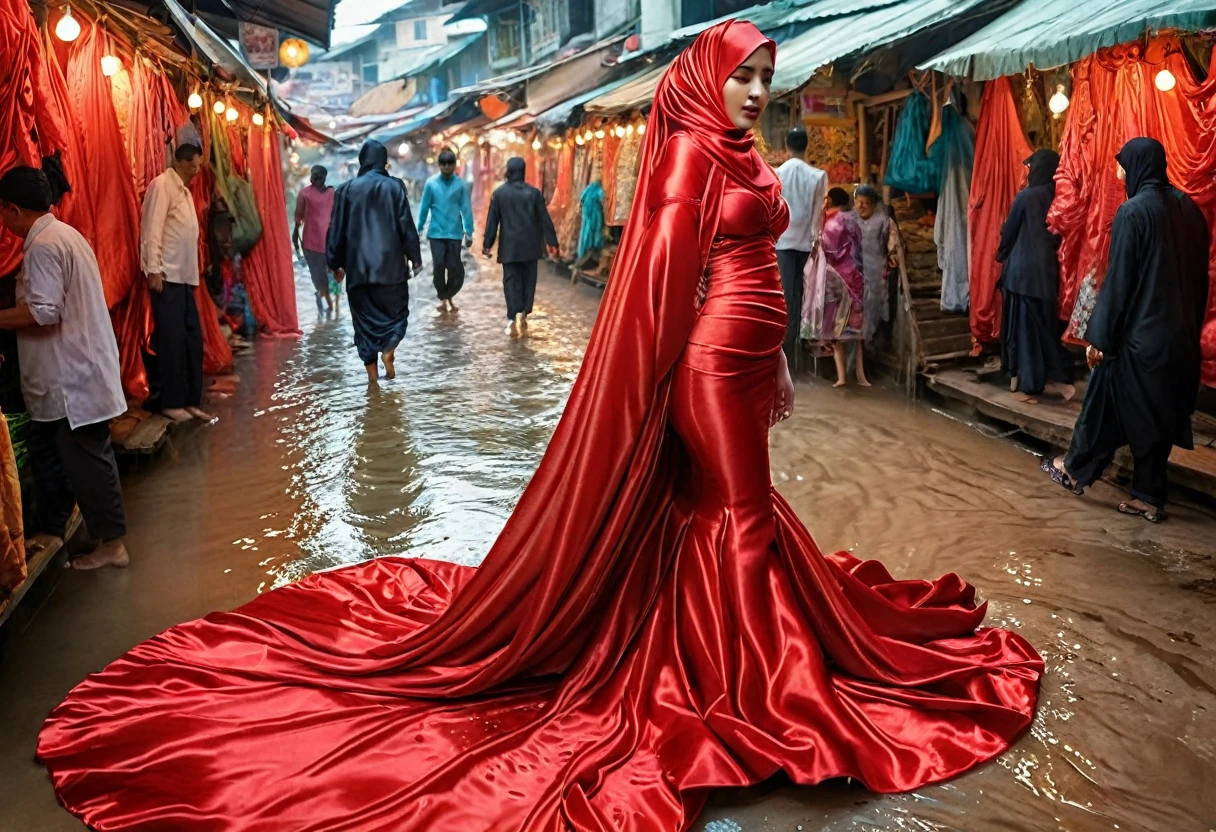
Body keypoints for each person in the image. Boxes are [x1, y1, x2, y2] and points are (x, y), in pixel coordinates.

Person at [37, 22, 1041, 831]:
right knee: (736, 515)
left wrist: (768, 362)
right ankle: (762, 690)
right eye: (743, 75)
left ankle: (728, 659)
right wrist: (649, 385)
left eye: (765, 79)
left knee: (722, 513)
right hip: (703, 364)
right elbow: (657, 282)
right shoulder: (692, 151)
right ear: (705, 77)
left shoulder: (732, 148)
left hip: (741, 363)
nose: (754, 93)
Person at [1043, 137, 1210, 522]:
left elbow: (1121, 281)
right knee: (1157, 415)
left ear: (1135, 165)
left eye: (1120, 162)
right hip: (1179, 338)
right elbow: (1201, 278)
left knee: (1103, 399)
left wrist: (1099, 338)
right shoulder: (1190, 210)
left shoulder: (1133, 212)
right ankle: (1148, 497)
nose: (1117, 170)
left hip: (1139, 338)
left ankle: (1075, 470)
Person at [0, 167, 129, 570]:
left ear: (13, 208)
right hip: (71, 374)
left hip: (72, 379)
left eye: (2, 213)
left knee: (88, 459)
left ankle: (113, 545)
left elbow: (44, 312)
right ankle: (54, 529)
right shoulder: (63, 235)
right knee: (51, 455)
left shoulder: (44, 245)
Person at [326, 140, 422, 384]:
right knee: (396, 316)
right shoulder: (395, 187)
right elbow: (406, 226)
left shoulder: (345, 190)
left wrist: (334, 263)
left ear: (362, 161)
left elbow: (335, 231)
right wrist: (415, 258)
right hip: (391, 272)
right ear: (383, 161)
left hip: (358, 272)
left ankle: (372, 382)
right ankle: (389, 348)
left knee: (364, 325)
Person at [141, 143, 213, 423]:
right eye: (193, 165)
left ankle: (191, 400)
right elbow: (151, 229)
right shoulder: (162, 186)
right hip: (167, 276)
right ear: (181, 162)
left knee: (191, 339)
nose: (196, 170)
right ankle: (172, 402)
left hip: (185, 277)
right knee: (171, 340)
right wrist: (153, 269)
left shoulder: (184, 191)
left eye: (198, 165)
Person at [998, 150, 1074, 403]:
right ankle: (1054, 375)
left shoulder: (1026, 197)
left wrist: (1002, 253)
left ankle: (1031, 381)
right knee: (1043, 325)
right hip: (1047, 272)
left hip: (1021, 273)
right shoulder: (1059, 198)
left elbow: (1009, 231)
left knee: (1024, 328)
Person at [483, 156, 558, 337]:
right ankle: (524, 312)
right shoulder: (534, 193)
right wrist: (552, 242)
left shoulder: (499, 194)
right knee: (528, 280)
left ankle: (511, 316)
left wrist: (487, 244)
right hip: (531, 246)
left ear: (508, 171)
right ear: (523, 172)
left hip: (510, 246)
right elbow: (544, 220)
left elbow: (492, 222)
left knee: (510, 280)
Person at [774, 127, 827, 367]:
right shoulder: (817, 175)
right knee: (799, 295)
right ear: (807, 147)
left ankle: (782, 352)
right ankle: (793, 353)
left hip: (781, 242)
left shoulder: (777, 173)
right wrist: (816, 239)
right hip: (805, 243)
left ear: (786, 146)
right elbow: (817, 212)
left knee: (783, 294)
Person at [816, 186, 868, 386]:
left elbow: (825, 249)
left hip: (837, 278)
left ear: (829, 200)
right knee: (856, 329)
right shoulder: (853, 220)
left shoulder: (831, 224)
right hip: (855, 275)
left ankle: (841, 378)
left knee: (837, 329)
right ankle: (861, 377)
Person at [417, 149, 474, 313]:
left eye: (450, 163)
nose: (447, 167)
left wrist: (469, 231)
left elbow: (466, 209)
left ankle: (449, 295)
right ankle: (443, 298)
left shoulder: (460, 185)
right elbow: (424, 207)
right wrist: (419, 228)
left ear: (455, 165)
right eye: (443, 164)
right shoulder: (431, 184)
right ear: (439, 165)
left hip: (455, 234)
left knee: (455, 268)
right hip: (436, 234)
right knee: (439, 267)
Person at [853, 184, 902, 346]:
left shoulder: (884, 222)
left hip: (876, 275)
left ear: (873, 204)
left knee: (874, 309)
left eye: (865, 202)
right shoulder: (849, 220)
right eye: (858, 202)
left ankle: (871, 343)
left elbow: (893, 245)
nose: (861, 206)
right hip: (853, 275)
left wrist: (893, 257)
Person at [293, 165, 338, 318]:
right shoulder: (304, 194)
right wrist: (295, 238)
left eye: (319, 176)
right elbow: (298, 218)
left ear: (325, 177)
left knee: (331, 276)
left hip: (329, 242)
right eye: (314, 175)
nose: (316, 178)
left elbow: (337, 215)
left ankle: (327, 305)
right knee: (318, 277)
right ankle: (325, 306)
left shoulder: (332, 193)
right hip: (312, 244)